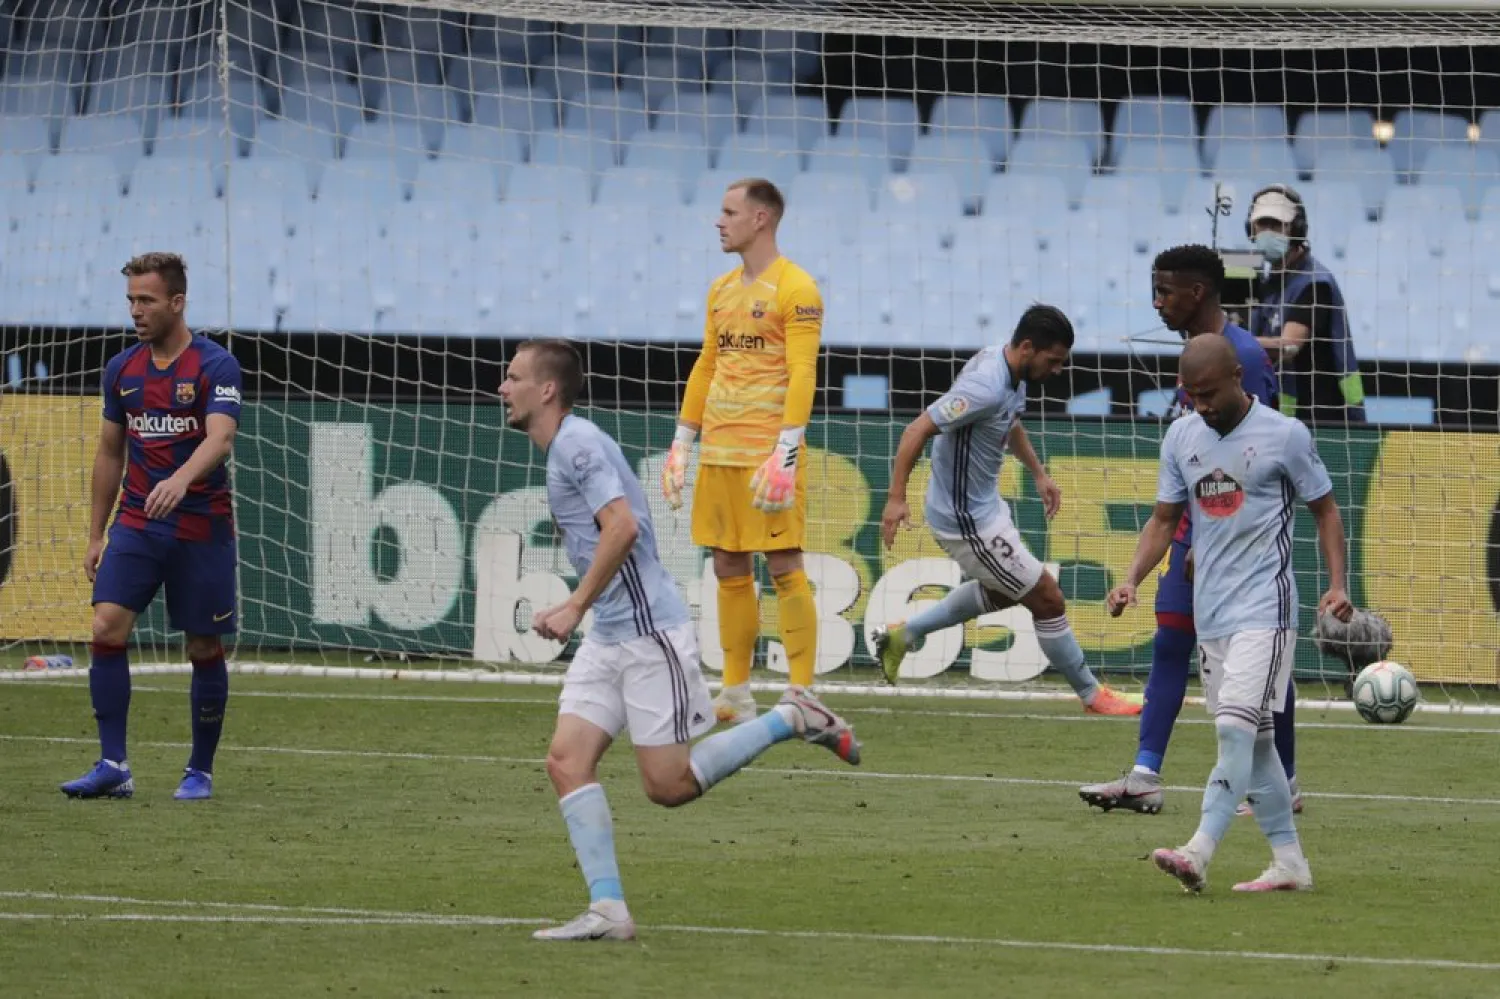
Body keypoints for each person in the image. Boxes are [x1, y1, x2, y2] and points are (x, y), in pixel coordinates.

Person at [501, 339, 861, 942]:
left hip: (647, 636)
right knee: (566, 761)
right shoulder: (564, 447)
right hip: (610, 636)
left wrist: (572, 606)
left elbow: (624, 527)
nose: (502, 388)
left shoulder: (578, 445)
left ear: (547, 391)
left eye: (512, 378)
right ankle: (609, 910)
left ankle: (789, 718)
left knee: (667, 787)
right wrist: (580, 610)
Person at [1109, 334, 1353, 894]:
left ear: (1238, 379)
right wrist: (1130, 579)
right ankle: (1290, 863)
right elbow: (1165, 519)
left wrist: (1339, 584)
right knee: (1260, 744)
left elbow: (1326, 510)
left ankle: (1199, 849)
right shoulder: (1181, 436)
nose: (1202, 405)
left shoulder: (1285, 436)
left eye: (1210, 393)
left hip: (1266, 608)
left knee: (1234, 730)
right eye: (1191, 395)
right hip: (1211, 612)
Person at [1080, 244, 1302, 816]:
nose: (1157, 304)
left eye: (1165, 292)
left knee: (1263, 658)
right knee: (1171, 641)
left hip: (1236, 539)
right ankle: (1145, 774)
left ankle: (1284, 781)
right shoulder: (1195, 358)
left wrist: (1216, 540)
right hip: (1190, 533)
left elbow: (1262, 456)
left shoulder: (1245, 358)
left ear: (1197, 292)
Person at [871, 305, 1140, 716]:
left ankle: (903, 636)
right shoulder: (986, 385)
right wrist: (895, 498)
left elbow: (1008, 422)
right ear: (1029, 347)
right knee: (1047, 597)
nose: (1057, 371)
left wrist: (1038, 473)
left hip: (985, 507)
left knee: (1005, 589)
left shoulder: (1008, 368)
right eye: (1053, 361)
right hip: (964, 519)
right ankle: (1092, 695)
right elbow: (917, 429)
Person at [61, 252, 243, 802]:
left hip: (200, 527)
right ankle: (114, 764)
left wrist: (182, 480)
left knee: (202, 647)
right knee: (104, 629)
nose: (136, 311)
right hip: (138, 523)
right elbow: (109, 453)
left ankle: (199, 770)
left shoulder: (215, 365)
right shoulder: (122, 370)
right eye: (131, 301)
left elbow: (220, 438)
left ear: (177, 303)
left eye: (146, 300)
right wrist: (97, 533)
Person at [662, 178, 824, 724]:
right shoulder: (721, 289)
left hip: (767, 459)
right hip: (720, 453)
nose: (719, 220)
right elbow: (708, 364)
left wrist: (787, 450)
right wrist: (683, 440)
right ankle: (735, 691)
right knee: (728, 565)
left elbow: (803, 370)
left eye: (729, 211)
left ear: (761, 219)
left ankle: (802, 692)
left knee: (783, 566)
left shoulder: (797, 288)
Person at [1246, 183, 1366, 425]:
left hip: (1324, 417)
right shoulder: (1268, 282)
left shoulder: (1314, 284)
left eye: (1277, 225)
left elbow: (1289, 346)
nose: (1267, 232)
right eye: (1262, 224)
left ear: (1297, 229)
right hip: (1285, 416)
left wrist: (1227, 339)